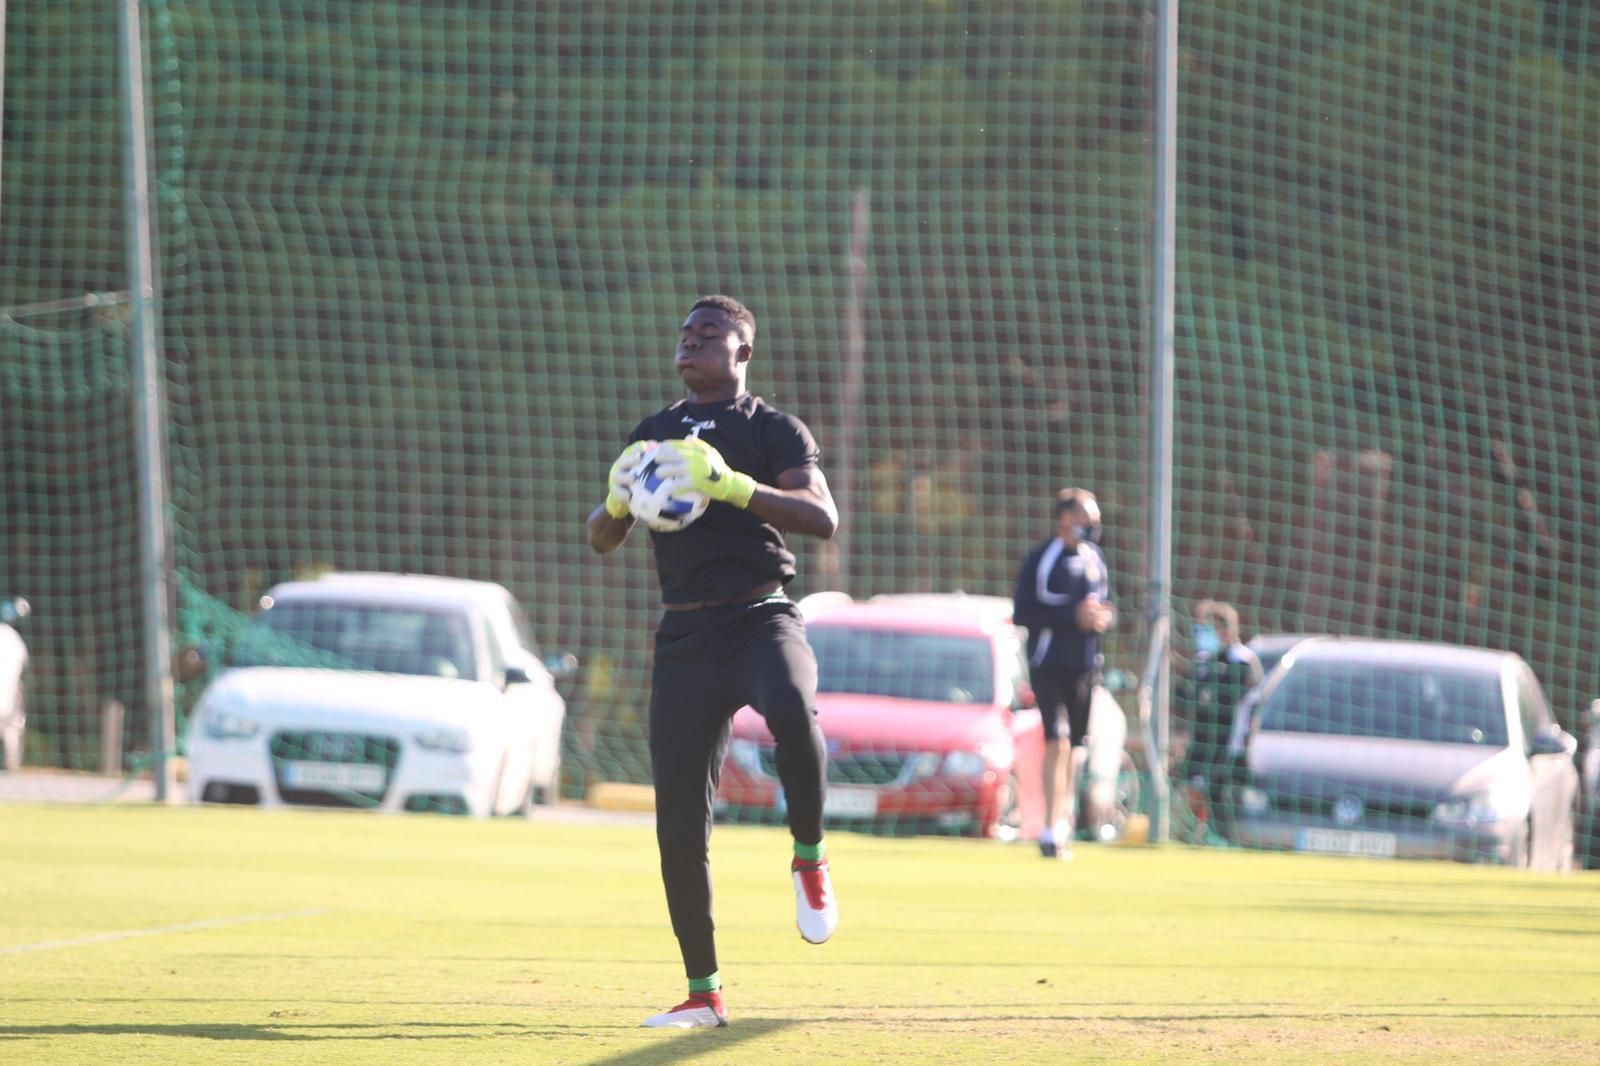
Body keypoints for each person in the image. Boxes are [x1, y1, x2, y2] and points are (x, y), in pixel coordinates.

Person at [585, 294, 840, 1030]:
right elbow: (602, 539)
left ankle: (810, 858)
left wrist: (730, 483)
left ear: (742, 352)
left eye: (710, 334)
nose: (690, 342)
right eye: (685, 333)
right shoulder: (653, 435)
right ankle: (704, 992)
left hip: (761, 617)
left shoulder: (774, 429)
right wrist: (616, 502)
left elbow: (821, 518)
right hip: (685, 640)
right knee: (677, 825)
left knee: (794, 712)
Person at [1012, 487, 1116, 861]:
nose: (1093, 525)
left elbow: (1107, 606)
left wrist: (1102, 618)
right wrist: (1073, 617)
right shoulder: (1042, 559)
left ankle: (1063, 820)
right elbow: (1024, 612)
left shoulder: (1095, 559)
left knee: (1075, 748)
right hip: (1048, 665)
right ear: (1065, 519)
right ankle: (1048, 828)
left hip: (1086, 667)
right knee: (1055, 740)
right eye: (1087, 517)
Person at [1174, 599, 1263, 839]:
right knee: (1190, 787)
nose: (1200, 635)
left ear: (1224, 631)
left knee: (1215, 793)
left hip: (1230, 743)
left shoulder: (1243, 660)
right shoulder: (1204, 659)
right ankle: (1196, 837)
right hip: (1201, 739)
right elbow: (1182, 696)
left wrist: (1202, 693)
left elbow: (1224, 700)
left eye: (1204, 629)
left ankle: (1222, 838)